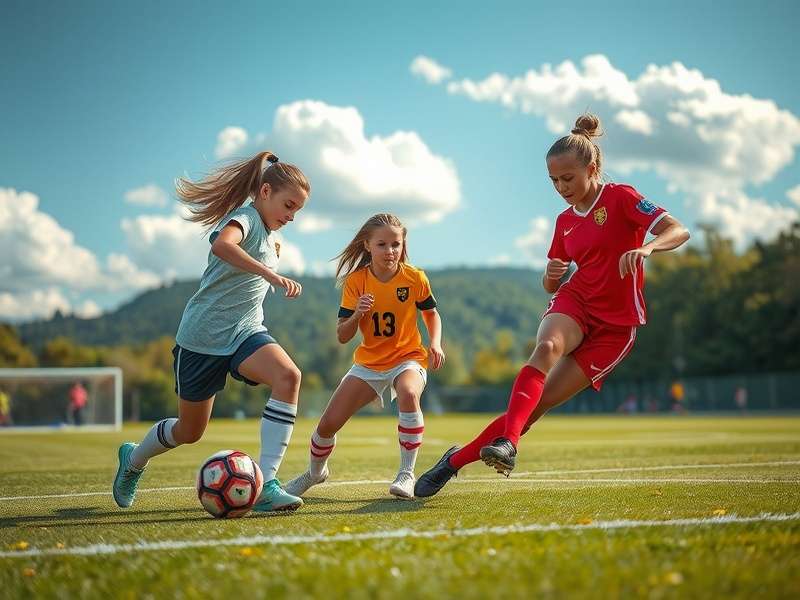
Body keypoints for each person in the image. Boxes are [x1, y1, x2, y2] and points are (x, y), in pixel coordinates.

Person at [415, 114, 690, 497]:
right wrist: (551, 272)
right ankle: (508, 444)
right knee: (545, 348)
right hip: (576, 301)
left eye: (568, 179)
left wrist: (647, 246)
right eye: (554, 181)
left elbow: (679, 229)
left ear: (592, 169)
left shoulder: (622, 197)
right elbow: (550, 282)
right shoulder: (564, 222)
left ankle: (453, 462)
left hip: (615, 327)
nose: (561, 188)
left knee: (533, 409)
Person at [113, 151, 311, 512]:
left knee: (288, 376)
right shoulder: (245, 218)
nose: (291, 216)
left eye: (297, 210)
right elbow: (222, 245)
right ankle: (134, 460)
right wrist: (269, 273)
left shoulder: (270, 235)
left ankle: (266, 484)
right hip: (201, 339)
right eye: (288, 205)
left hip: (245, 333)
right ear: (265, 191)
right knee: (189, 432)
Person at [283, 213, 445, 499]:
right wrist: (358, 312)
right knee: (327, 425)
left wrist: (436, 343)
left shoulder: (415, 277)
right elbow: (343, 336)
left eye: (395, 244)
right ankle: (315, 473)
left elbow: (431, 314)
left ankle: (407, 474)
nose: (390, 251)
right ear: (367, 245)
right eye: (382, 244)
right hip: (369, 364)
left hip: (408, 358)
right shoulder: (356, 282)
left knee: (408, 392)